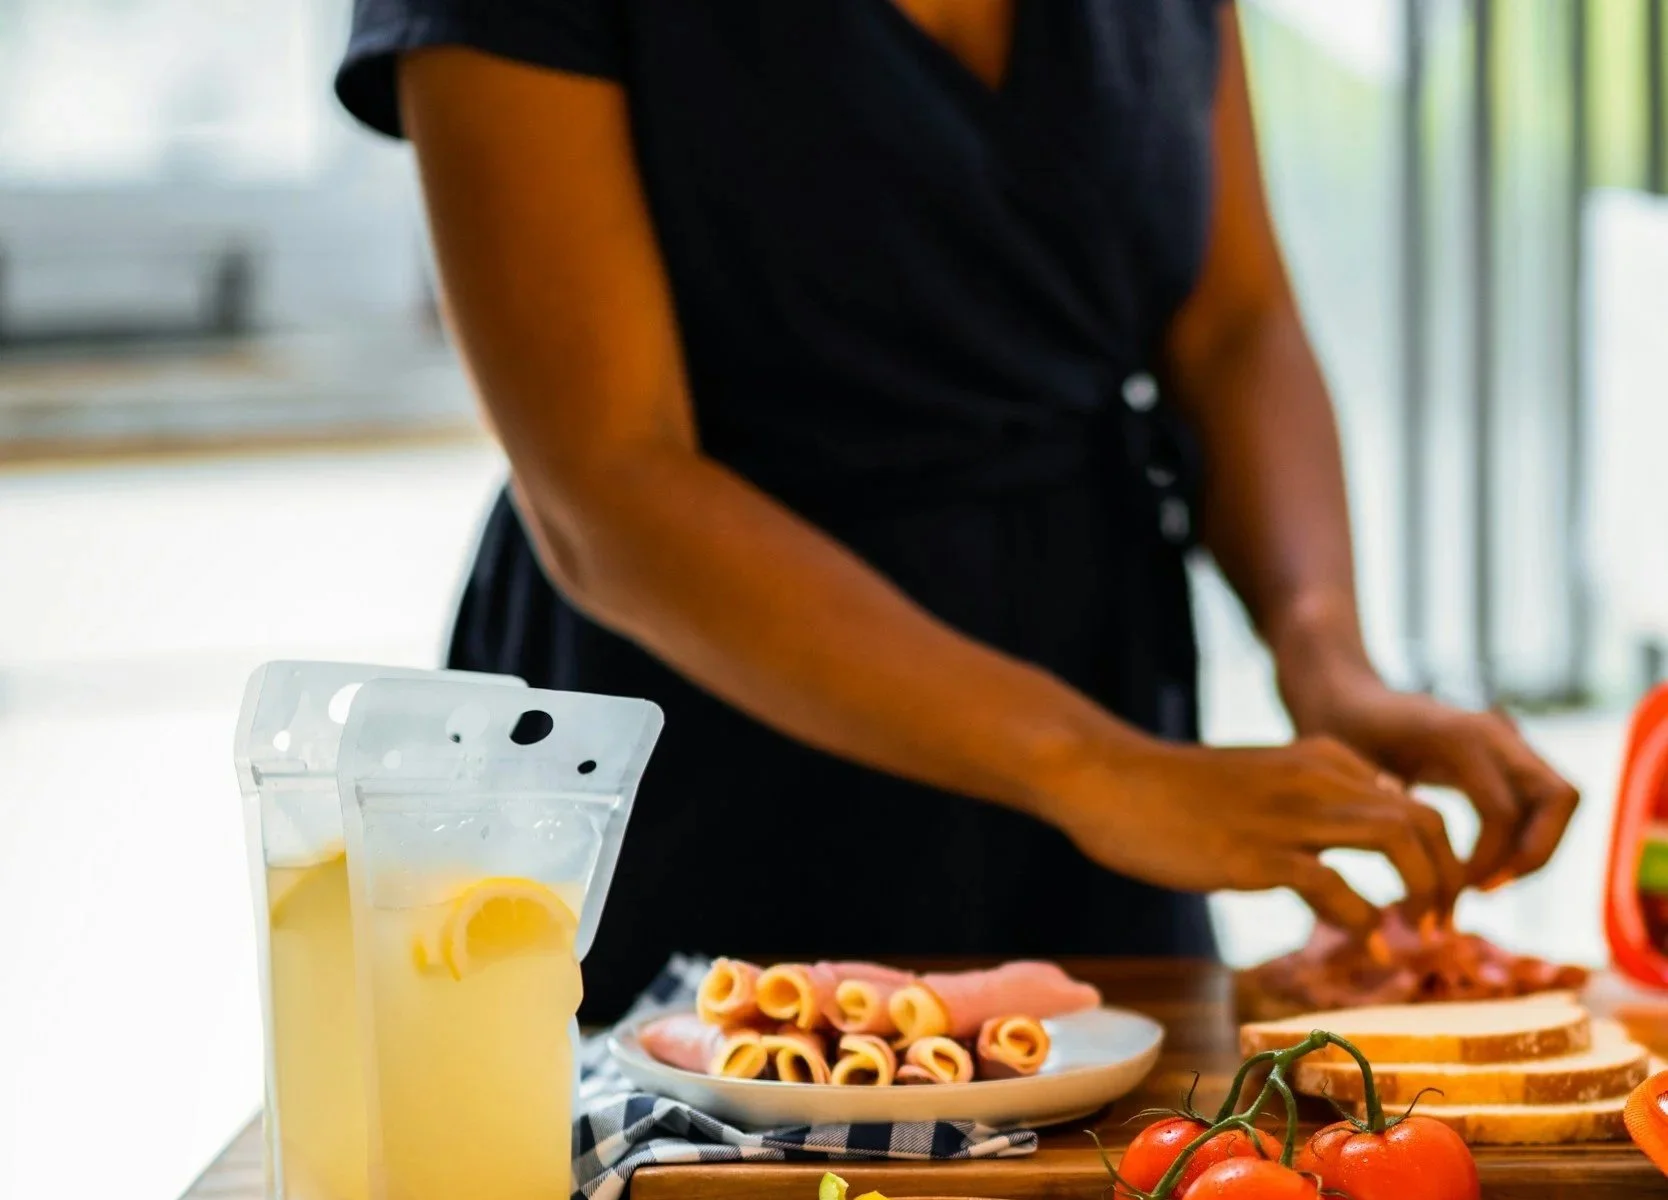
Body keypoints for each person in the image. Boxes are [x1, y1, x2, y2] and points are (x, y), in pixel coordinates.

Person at [336, 0, 1578, 1019]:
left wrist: (1326, 655)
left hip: (1094, 726)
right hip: (691, 753)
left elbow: (1231, 324)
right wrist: (1097, 768)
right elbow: (608, 484)